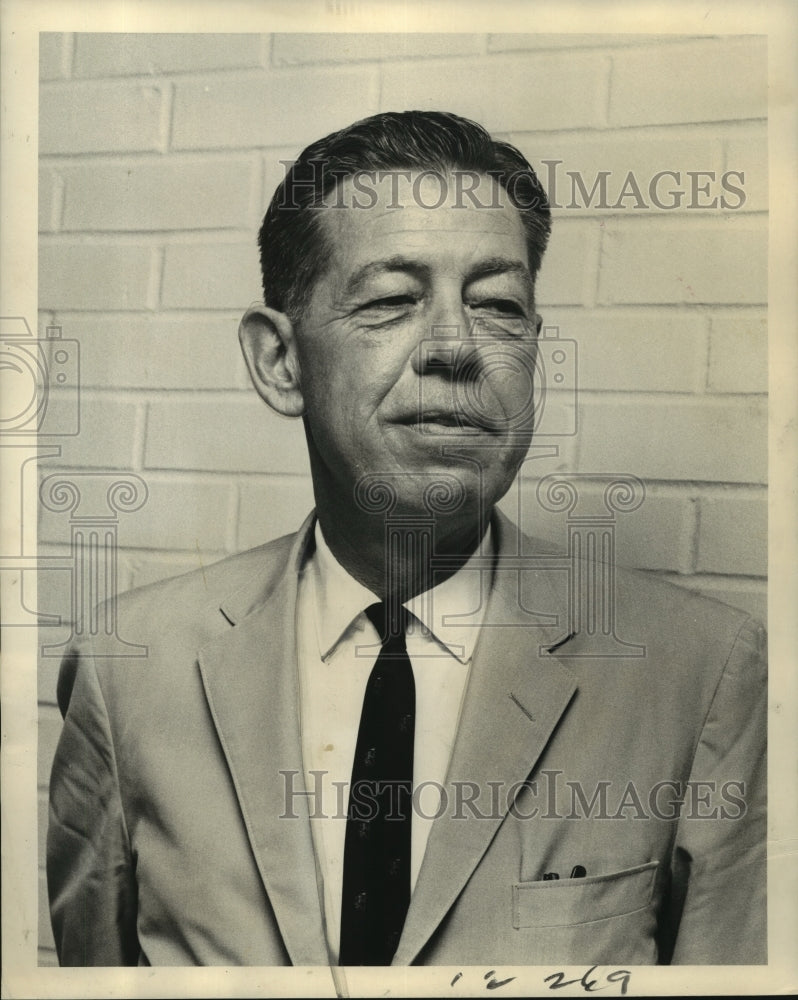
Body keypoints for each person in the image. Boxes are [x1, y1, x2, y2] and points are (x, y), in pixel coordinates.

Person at [47, 110, 766, 967]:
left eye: (499, 306)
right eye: (391, 301)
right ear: (280, 362)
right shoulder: (130, 669)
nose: (457, 348)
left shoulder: (699, 672)